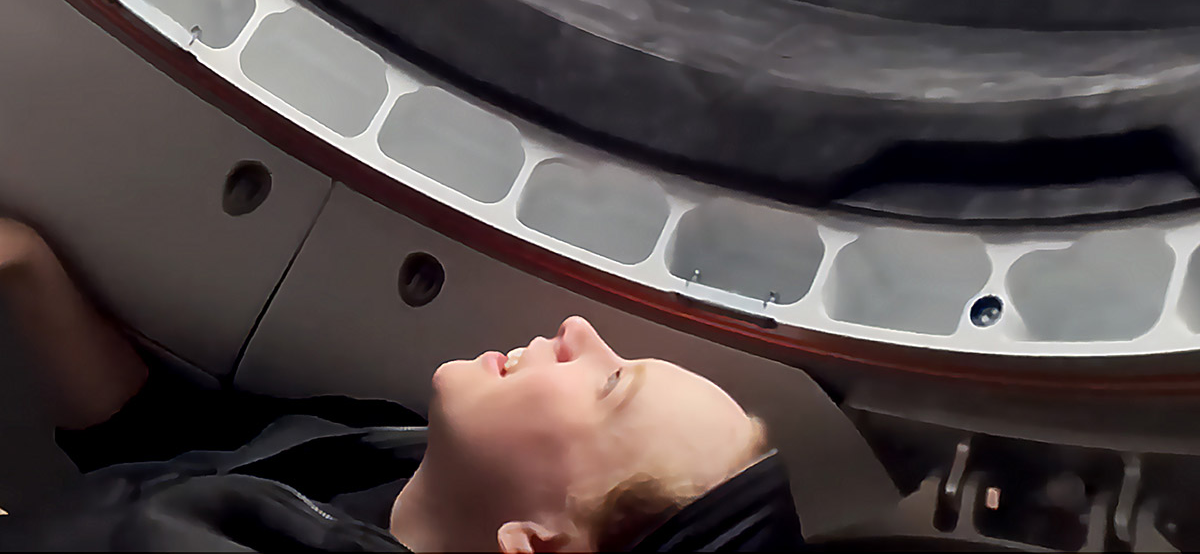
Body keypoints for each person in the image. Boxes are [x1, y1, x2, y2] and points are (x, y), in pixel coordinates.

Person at [0, 218, 803, 551]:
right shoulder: (394, 446)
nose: (578, 332)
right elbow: (165, 447)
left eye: (609, 386)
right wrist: (26, 264)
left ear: (535, 543)